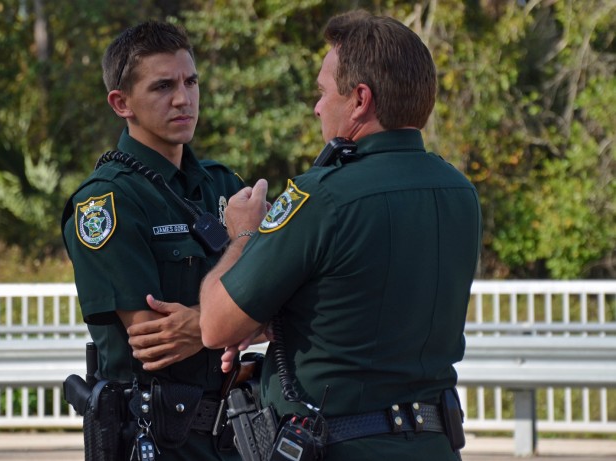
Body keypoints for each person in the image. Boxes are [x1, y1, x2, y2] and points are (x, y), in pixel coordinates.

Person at [198, 10, 482, 461]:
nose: (316, 106)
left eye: (323, 91)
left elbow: (215, 325)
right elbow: (365, 305)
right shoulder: (459, 192)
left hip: (338, 446)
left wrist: (244, 234)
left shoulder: (321, 196)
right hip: (434, 443)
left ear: (360, 100)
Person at [61, 20, 242, 461]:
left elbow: (281, 302)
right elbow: (154, 337)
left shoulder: (225, 187)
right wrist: (238, 317)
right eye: (163, 86)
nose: (184, 99)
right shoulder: (106, 202)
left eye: (191, 81)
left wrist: (204, 324)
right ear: (121, 103)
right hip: (156, 439)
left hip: (238, 435)